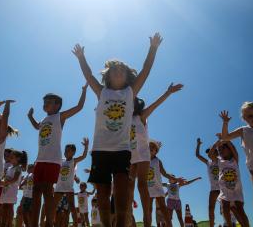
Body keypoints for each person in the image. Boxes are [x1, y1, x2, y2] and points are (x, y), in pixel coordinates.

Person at [72, 32, 163, 227]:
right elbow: (88, 75)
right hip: (100, 149)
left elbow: (146, 70)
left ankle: (122, 222)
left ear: (128, 76)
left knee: (122, 193)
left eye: (122, 70)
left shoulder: (130, 93)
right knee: (103, 195)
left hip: (122, 150)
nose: (118, 72)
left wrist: (153, 48)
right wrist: (81, 58)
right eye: (114, 70)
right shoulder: (102, 91)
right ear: (108, 76)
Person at [28, 84, 88, 227]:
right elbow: (37, 126)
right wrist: (30, 116)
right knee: (35, 192)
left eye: (49, 102)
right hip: (40, 160)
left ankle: (49, 223)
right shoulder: (43, 120)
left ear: (57, 105)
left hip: (52, 160)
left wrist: (84, 91)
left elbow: (79, 107)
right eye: (44, 102)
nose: (45, 104)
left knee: (48, 191)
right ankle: (34, 224)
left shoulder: (59, 117)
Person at [129, 82, 183, 227]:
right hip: (130, 155)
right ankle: (136, 217)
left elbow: (154, 105)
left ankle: (150, 219)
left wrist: (168, 92)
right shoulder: (125, 119)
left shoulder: (141, 116)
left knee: (141, 186)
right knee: (129, 185)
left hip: (141, 154)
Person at [211, 140, 249, 227]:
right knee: (224, 206)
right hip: (225, 190)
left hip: (236, 190)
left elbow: (233, 148)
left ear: (229, 149)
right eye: (219, 149)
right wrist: (216, 144)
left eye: (222, 148)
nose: (220, 151)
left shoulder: (235, 159)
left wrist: (225, 140)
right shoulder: (219, 161)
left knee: (240, 209)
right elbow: (210, 155)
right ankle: (229, 225)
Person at [147, 140, 184, 227]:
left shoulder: (157, 161)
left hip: (158, 188)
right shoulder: (144, 161)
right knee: (149, 210)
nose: (150, 149)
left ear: (156, 151)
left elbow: (165, 173)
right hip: (148, 189)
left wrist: (176, 179)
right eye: (149, 147)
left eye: (153, 148)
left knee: (164, 209)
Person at [54, 138, 89, 226]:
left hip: (68, 187)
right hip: (59, 187)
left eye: (68, 151)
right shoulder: (61, 161)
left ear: (73, 152)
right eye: (65, 151)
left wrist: (86, 147)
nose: (65, 152)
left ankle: (75, 223)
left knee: (72, 206)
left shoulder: (74, 161)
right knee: (53, 206)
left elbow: (83, 156)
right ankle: (51, 222)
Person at [195, 137, 220, 227]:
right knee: (210, 208)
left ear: (216, 153)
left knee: (228, 208)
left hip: (223, 188)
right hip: (214, 189)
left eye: (211, 152)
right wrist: (198, 144)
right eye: (208, 153)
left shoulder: (221, 161)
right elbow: (197, 155)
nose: (209, 154)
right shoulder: (208, 162)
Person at [0, 149, 27, 227]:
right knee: (4, 207)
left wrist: (5, 183)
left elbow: (15, 179)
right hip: (5, 190)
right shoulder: (9, 168)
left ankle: (9, 224)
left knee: (9, 207)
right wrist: (1, 183)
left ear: (18, 159)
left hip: (11, 191)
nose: (9, 158)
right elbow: (5, 178)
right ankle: (3, 223)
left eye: (12, 157)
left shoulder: (18, 168)